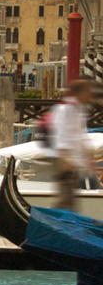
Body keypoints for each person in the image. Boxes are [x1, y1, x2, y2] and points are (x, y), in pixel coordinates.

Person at [45, 79, 94, 212]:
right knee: (63, 197)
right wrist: (65, 160)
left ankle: (66, 225)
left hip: (72, 161)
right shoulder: (66, 108)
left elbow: (81, 135)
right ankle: (51, 221)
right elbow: (61, 134)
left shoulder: (79, 110)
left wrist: (87, 159)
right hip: (64, 160)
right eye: (88, 92)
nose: (90, 96)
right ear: (80, 93)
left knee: (69, 198)